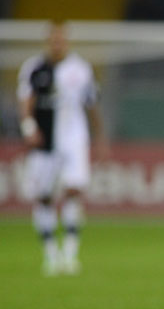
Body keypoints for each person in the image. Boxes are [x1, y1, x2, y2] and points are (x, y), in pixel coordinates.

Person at [17, 20, 106, 276]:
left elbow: (92, 105)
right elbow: (26, 101)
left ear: (67, 42)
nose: (58, 44)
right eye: (54, 40)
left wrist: (99, 138)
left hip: (74, 139)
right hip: (44, 142)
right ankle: (50, 254)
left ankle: (70, 252)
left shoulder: (80, 69)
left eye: (61, 40)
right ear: (48, 42)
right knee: (43, 195)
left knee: (73, 189)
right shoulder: (34, 69)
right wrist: (29, 128)